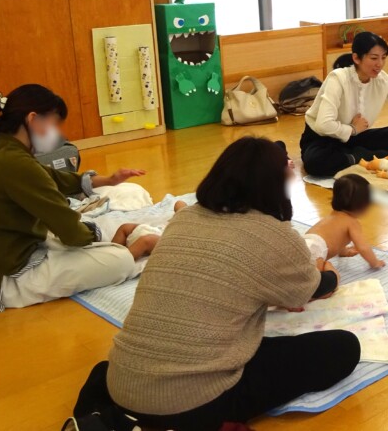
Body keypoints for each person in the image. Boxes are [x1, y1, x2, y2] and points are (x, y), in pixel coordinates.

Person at [75, 137, 359, 431]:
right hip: (194, 401)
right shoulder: (274, 234)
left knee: (106, 370)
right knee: (343, 347)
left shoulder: (183, 219)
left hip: (122, 384)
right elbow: (304, 292)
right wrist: (329, 273)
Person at [0, 84, 148, 316]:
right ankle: (134, 250)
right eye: (55, 123)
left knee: (118, 200)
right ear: (33, 119)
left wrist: (107, 180)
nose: (58, 133)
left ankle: (117, 242)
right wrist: (102, 237)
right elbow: (73, 234)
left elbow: (51, 178)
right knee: (118, 261)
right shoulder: (15, 163)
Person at [301, 31, 388, 177]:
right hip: (322, 139)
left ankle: (353, 156)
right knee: (315, 163)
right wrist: (352, 129)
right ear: (356, 58)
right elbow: (323, 124)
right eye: (374, 58)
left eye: (383, 58)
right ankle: (363, 156)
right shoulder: (338, 78)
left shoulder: (382, 80)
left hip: (356, 137)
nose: (380, 64)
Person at [306, 174, 385, 269]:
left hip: (303, 243)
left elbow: (335, 239)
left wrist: (343, 252)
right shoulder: (352, 222)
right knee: (317, 276)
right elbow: (363, 247)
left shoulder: (332, 215)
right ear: (363, 204)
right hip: (316, 250)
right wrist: (375, 263)